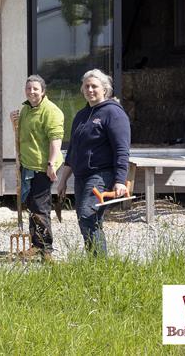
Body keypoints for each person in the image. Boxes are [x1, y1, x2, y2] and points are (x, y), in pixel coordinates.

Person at [56, 69, 131, 256]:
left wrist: (120, 180)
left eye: (94, 86)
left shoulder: (113, 113)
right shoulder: (81, 115)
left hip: (101, 174)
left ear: (105, 89)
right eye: (86, 86)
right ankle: (95, 262)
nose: (90, 90)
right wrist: (63, 180)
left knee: (87, 216)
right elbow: (72, 151)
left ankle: (99, 264)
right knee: (86, 219)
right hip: (81, 176)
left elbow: (122, 150)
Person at [9, 74, 64, 261]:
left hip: (43, 166)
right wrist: (14, 123)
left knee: (41, 207)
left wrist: (51, 164)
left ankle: (46, 249)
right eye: (28, 88)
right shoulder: (26, 109)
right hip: (27, 166)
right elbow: (22, 136)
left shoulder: (51, 111)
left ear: (43, 91)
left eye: (35, 89)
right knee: (32, 205)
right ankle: (36, 244)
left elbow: (55, 140)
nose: (31, 92)